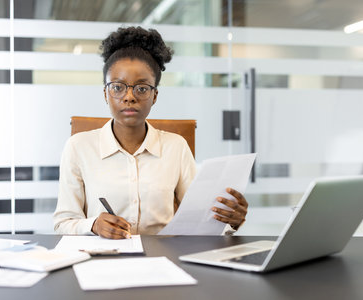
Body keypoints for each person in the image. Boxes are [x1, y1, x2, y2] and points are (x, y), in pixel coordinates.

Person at [53, 26, 248, 239]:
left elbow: (200, 220)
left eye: (142, 88)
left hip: (164, 257)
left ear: (154, 96)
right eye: (118, 87)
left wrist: (231, 222)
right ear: (105, 93)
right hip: (105, 259)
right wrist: (93, 226)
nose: (129, 97)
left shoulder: (176, 146)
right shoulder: (78, 147)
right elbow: (63, 223)